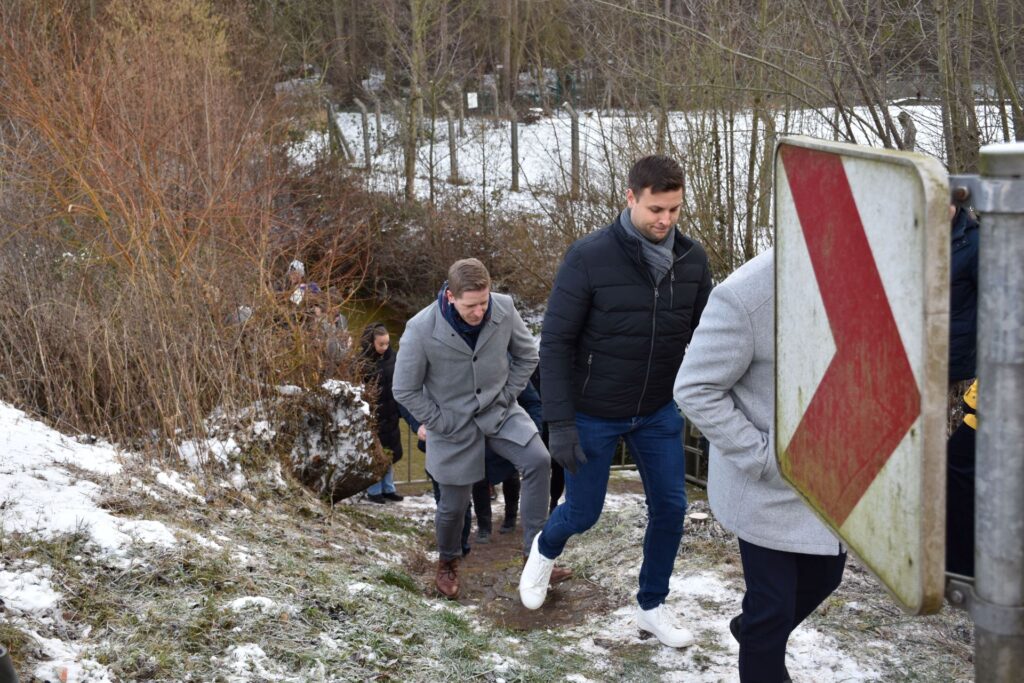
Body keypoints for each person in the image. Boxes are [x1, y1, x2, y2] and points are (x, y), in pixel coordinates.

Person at [519, 155, 712, 649]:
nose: (664, 220)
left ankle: (651, 605)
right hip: (592, 412)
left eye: (673, 209)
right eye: (655, 208)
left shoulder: (692, 261)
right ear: (630, 198)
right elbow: (556, 342)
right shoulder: (589, 257)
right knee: (584, 513)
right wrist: (559, 423)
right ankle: (544, 547)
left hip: (656, 411)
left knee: (671, 508)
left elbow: (708, 338)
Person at [674, 250, 846, 683]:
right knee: (771, 609)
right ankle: (760, 642)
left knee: (827, 575)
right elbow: (694, 387)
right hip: (766, 485)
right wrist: (765, 458)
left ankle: (750, 631)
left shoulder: (861, 273)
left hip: (828, 478)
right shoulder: (746, 294)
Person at [393, 258, 560, 599]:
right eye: (471, 305)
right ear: (450, 296)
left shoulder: (504, 307)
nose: (480, 312)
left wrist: (508, 395)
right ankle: (448, 562)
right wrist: (438, 422)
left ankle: (537, 558)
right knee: (453, 507)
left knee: (539, 460)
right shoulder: (420, 328)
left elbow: (529, 356)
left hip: (500, 412)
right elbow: (404, 389)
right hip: (451, 423)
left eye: (484, 302)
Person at [358, 323, 404, 504]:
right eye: (381, 344)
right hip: (373, 413)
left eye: (387, 343)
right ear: (371, 343)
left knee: (389, 452)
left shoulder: (392, 358)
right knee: (375, 454)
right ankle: (374, 489)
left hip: (391, 411)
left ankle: (388, 487)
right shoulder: (362, 362)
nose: (385, 347)